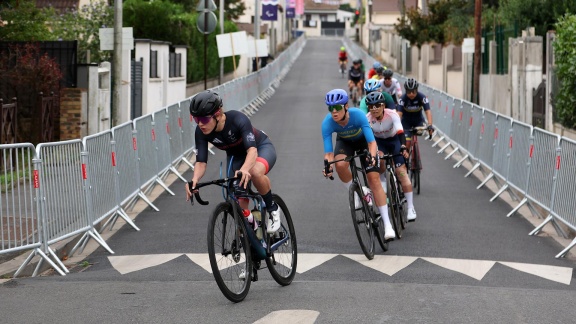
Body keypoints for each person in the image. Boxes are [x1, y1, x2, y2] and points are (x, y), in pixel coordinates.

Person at [185, 90, 281, 233]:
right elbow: (201, 162)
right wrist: (195, 179)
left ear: (217, 115)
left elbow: (252, 151)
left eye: (204, 119)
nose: (200, 124)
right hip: (236, 157)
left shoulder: (237, 119)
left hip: (260, 148)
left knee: (254, 172)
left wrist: (245, 169)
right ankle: (253, 230)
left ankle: (273, 209)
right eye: (196, 119)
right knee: (237, 200)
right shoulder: (201, 132)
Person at [322, 89, 396, 240]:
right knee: (340, 165)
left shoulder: (358, 115)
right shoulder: (327, 123)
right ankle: (358, 191)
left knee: (374, 179)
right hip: (345, 143)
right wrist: (328, 166)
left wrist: (373, 157)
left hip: (364, 142)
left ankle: (388, 225)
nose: (333, 112)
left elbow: (372, 143)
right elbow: (329, 154)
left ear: (346, 106)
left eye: (337, 108)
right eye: (330, 108)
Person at [365, 91, 417, 221]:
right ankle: (383, 182)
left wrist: (404, 147)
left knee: (401, 173)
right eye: (371, 106)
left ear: (383, 105)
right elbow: (368, 139)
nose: (375, 109)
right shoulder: (367, 118)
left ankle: (410, 207)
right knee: (380, 161)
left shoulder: (392, 114)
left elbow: (400, 132)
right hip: (380, 143)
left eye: (377, 105)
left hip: (395, 141)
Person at [397, 78, 434, 152]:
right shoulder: (402, 99)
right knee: (407, 143)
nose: (411, 94)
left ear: (416, 90)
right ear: (406, 91)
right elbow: (399, 114)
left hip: (418, 121)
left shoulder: (422, 97)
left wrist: (430, 125)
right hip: (406, 122)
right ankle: (406, 160)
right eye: (409, 92)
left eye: (413, 91)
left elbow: (428, 111)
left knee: (420, 132)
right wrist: (397, 126)